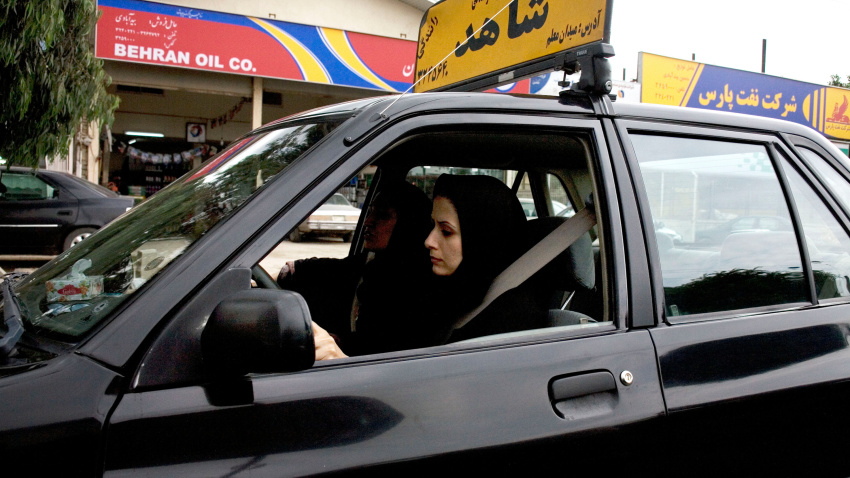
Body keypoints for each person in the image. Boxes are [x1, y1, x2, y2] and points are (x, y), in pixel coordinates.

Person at [277, 180, 434, 358]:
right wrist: (295, 268)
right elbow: (340, 269)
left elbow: (386, 348)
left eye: (382, 215)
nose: (368, 221)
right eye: (370, 212)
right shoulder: (375, 263)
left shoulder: (416, 284)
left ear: (409, 223)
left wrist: (339, 343)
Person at [425, 174, 548, 343]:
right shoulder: (447, 293)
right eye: (432, 225)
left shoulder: (510, 322)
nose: (428, 241)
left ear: (482, 237)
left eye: (446, 231)